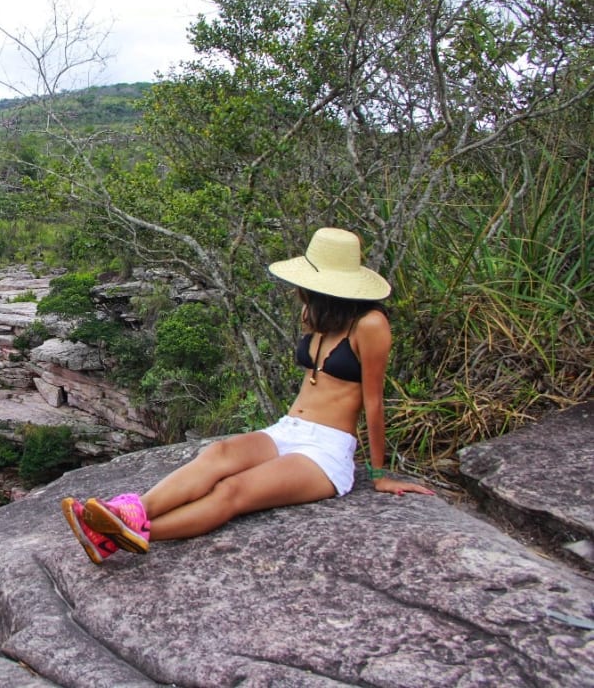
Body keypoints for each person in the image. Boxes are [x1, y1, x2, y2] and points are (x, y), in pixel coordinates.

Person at [62, 227, 434, 564]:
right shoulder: (316, 315)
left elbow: (373, 401)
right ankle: (129, 512)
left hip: (327, 451)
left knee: (233, 490)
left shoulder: (370, 324)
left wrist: (380, 473)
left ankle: (126, 535)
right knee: (218, 454)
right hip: (289, 428)